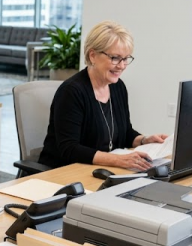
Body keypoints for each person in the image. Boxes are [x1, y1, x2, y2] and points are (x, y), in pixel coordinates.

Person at [37, 21, 168, 171]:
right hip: (63, 173)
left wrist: (144, 140)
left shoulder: (118, 87)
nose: (121, 66)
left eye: (125, 58)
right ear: (93, 55)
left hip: (101, 170)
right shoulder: (72, 91)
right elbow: (70, 149)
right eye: (115, 58)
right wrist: (118, 160)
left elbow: (125, 133)